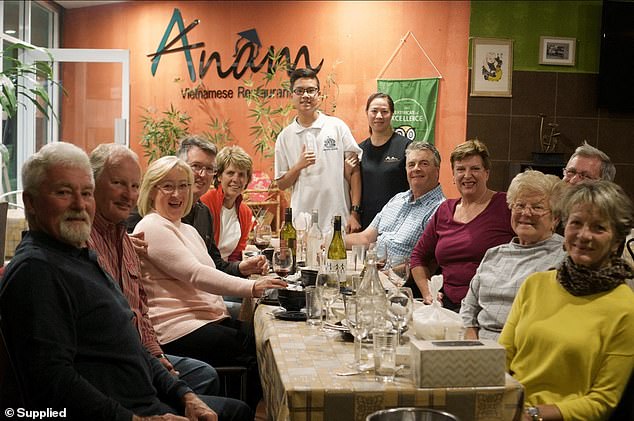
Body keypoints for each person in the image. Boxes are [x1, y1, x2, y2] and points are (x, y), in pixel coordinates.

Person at [0, 142, 250, 420]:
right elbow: (52, 384)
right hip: (129, 409)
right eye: (63, 192)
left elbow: (132, 340)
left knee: (234, 407)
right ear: (30, 203)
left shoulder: (83, 254)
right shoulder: (36, 270)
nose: (79, 204)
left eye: (85, 193)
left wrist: (183, 394)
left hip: (144, 392)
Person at [133, 156, 286, 410]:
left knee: (267, 337)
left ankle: (241, 410)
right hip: (177, 329)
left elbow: (211, 272)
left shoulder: (186, 228)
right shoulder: (151, 226)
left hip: (204, 319)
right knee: (259, 351)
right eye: (167, 186)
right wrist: (252, 287)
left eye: (183, 185)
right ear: (151, 190)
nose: (177, 193)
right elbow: (196, 274)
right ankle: (237, 411)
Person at [87, 143, 224, 396]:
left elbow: (140, 309)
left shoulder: (126, 239)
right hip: (127, 359)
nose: (128, 194)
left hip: (144, 349)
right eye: (118, 183)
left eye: (133, 186)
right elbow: (196, 275)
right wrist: (253, 287)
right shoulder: (134, 232)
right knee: (249, 347)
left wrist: (154, 354)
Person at [499, 180, 634, 421]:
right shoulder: (535, 284)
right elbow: (501, 358)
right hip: (508, 409)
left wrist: (532, 414)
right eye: (577, 223)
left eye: (598, 228)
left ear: (616, 242)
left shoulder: (626, 308)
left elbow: (602, 402)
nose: (584, 235)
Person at [127, 135, 267, 278]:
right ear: (179, 166)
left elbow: (214, 265)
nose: (203, 174)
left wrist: (240, 268)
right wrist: (123, 242)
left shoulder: (203, 212)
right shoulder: (147, 207)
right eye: (196, 166)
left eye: (209, 169)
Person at [460, 170, 566, 341]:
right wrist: (472, 344)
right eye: (520, 205)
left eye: (537, 207)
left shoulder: (563, 257)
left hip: (525, 350)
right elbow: (469, 307)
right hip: (480, 348)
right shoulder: (494, 254)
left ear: (555, 219)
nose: (526, 213)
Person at [410, 139, 514, 310]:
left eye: (475, 169)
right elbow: (418, 256)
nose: (467, 175)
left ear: (487, 173)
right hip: (447, 306)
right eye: (460, 169)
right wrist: (428, 292)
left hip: (489, 307)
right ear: (453, 175)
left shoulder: (506, 205)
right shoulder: (445, 210)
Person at [274, 67, 363, 233]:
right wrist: (298, 166)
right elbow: (281, 183)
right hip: (302, 221)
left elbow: (355, 171)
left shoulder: (337, 127)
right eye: (299, 91)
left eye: (310, 90)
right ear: (292, 95)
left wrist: (355, 213)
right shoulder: (284, 137)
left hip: (338, 218)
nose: (305, 95)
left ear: (319, 95)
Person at [345, 141, 444, 259]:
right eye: (411, 164)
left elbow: (426, 263)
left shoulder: (440, 210)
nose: (416, 169)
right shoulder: (397, 200)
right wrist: (330, 240)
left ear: (437, 171)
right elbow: (366, 238)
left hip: (399, 276)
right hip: (373, 269)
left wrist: (384, 275)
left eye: (424, 164)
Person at [358, 93, 411, 229]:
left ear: (392, 114)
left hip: (397, 224)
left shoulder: (406, 147)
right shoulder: (359, 150)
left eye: (384, 111)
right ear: (367, 113)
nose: (379, 116)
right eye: (374, 111)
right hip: (366, 224)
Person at [200, 145, 254, 262]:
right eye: (230, 173)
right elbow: (201, 251)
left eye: (241, 174)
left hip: (226, 271)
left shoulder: (245, 213)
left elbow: (236, 256)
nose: (236, 179)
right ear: (219, 176)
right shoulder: (204, 203)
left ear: (247, 180)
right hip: (205, 269)